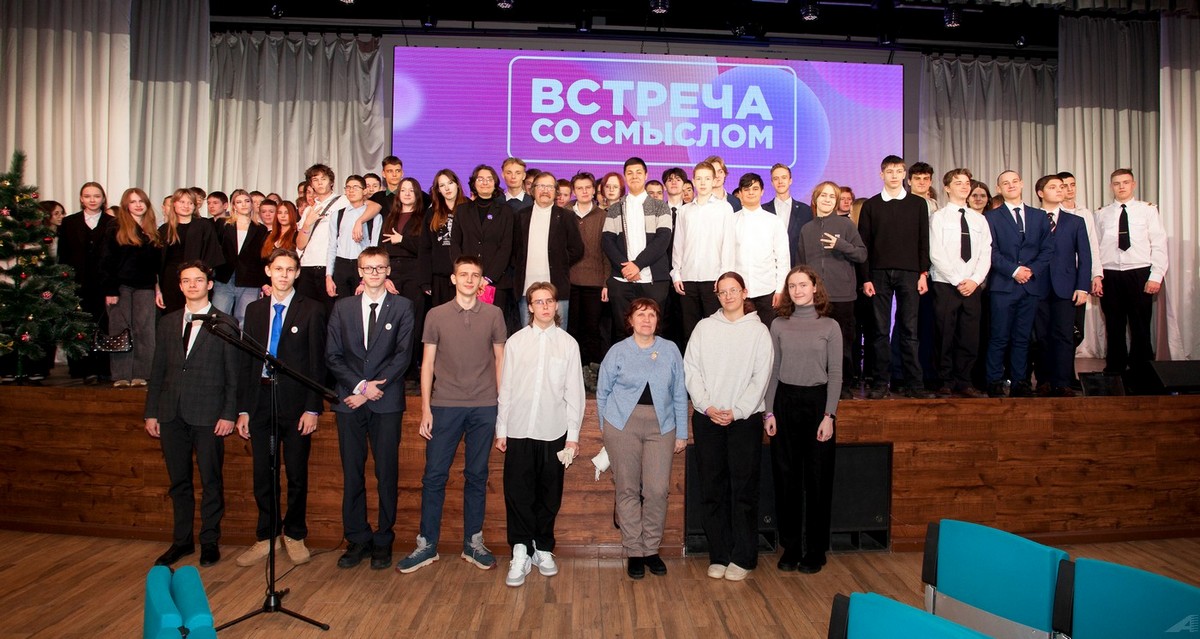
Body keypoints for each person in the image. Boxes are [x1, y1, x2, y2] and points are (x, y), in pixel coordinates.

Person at [399, 255, 507, 574]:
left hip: (484, 406)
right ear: (453, 278)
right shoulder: (436, 315)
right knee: (434, 476)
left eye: (475, 275)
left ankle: (473, 543)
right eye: (464, 274)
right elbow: (427, 364)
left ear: (481, 281)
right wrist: (425, 408)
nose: (469, 279)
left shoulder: (494, 314)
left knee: (477, 476)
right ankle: (427, 545)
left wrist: (502, 407)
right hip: (445, 406)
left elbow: (501, 361)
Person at [144, 261, 240, 567]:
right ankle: (182, 541)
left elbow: (233, 375)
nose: (192, 285)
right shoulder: (168, 322)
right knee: (179, 482)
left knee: (211, 481)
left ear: (209, 284)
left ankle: (209, 540)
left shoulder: (225, 323)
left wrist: (229, 413)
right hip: (171, 413)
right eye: (186, 281)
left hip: (209, 415)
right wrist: (151, 412)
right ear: (180, 286)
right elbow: (158, 370)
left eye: (198, 280)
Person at [234, 248, 326, 567]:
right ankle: (267, 535)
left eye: (289, 270)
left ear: (297, 273)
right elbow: (247, 362)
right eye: (278, 269)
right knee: (264, 472)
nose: (283, 275)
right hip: (261, 400)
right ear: (268, 271)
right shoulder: (255, 309)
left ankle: (295, 534)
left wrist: (313, 408)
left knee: (296, 473)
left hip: (296, 403)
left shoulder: (312, 309)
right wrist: (244, 410)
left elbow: (317, 363)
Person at [326, 246, 415, 569]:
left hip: (385, 401)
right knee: (352, 474)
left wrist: (372, 389)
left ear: (388, 271)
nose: (374, 273)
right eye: (368, 268)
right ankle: (357, 538)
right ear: (359, 272)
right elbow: (332, 355)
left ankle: (383, 539)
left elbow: (403, 355)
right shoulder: (343, 307)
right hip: (350, 401)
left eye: (380, 267)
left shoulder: (403, 307)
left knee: (386, 473)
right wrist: (361, 387)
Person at [683, 272, 772, 581]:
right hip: (708, 418)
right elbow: (691, 370)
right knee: (712, 488)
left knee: (744, 490)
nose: (729, 296)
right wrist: (707, 405)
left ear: (745, 292)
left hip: (744, 421)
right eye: (723, 292)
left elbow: (761, 378)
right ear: (717, 296)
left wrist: (737, 411)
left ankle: (743, 557)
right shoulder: (704, 328)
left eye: (734, 290)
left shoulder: (759, 332)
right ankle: (719, 554)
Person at [496, 282, 585, 587]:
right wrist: (502, 428)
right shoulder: (516, 342)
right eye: (539, 301)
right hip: (519, 429)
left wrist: (573, 436)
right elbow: (506, 388)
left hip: (554, 430)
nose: (545, 306)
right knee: (517, 493)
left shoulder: (568, 344)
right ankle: (520, 550)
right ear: (530, 307)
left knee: (549, 494)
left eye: (549, 301)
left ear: (556, 305)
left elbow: (575, 393)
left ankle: (543, 548)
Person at [596, 297, 688, 579]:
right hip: (622, 426)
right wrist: (606, 428)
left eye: (651, 315)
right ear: (630, 320)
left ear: (658, 321)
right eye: (640, 314)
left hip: (662, 427)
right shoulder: (618, 351)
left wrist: (682, 433)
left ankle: (651, 549)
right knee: (626, 489)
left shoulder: (670, 350)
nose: (646, 320)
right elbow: (602, 392)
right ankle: (634, 550)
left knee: (657, 490)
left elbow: (679, 393)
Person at [764, 265, 841, 574]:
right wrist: (769, 411)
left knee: (818, 479)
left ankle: (816, 549)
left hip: (818, 405)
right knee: (787, 479)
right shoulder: (778, 324)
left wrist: (829, 415)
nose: (797, 290)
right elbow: (773, 371)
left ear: (814, 287)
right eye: (792, 286)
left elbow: (836, 374)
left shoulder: (830, 326)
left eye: (803, 285)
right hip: (784, 402)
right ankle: (791, 546)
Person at [858, 155, 934, 399]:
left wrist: (923, 273)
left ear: (904, 175)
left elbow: (924, 241)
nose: (894, 175)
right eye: (889, 171)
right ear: (881, 174)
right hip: (878, 274)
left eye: (898, 171)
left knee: (910, 330)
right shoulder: (871, 205)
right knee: (880, 330)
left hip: (910, 273)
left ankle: (914, 385)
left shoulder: (917, 204)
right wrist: (866, 278)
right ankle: (881, 383)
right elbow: (864, 245)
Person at [984, 170, 1054, 398]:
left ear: (1022, 184)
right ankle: (994, 381)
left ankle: (1020, 381)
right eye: (1005, 183)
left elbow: (1047, 249)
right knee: (999, 336)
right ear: (999, 189)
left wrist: (1030, 271)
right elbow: (991, 251)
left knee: (1023, 338)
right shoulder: (991, 217)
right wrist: (1014, 271)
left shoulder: (1039, 216)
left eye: (1014, 181)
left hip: (1030, 285)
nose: (1011, 185)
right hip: (1003, 285)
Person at [1093, 168, 1168, 379]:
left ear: (1133, 184)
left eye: (1126, 182)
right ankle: (1115, 368)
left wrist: (1156, 276)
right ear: (1111, 187)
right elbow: (1095, 248)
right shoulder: (1101, 214)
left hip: (1139, 272)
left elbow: (1159, 244)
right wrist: (1096, 275)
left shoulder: (1148, 210)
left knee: (1140, 325)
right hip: (1111, 274)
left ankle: (1142, 370)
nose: (1121, 187)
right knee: (1114, 324)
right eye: (1117, 183)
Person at [797, 181, 867, 399]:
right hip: (815, 298)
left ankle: (843, 386)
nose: (827, 200)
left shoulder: (846, 225)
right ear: (815, 199)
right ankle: (818, 384)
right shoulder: (806, 229)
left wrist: (840, 245)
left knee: (843, 344)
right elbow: (801, 264)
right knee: (815, 345)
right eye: (823, 195)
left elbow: (861, 254)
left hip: (843, 296)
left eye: (831, 196)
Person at [927, 169, 992, 398]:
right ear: (947, 188)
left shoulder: (979, 219)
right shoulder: (939, 217)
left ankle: (965, 381)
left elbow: (986, 252)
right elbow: (936, 253)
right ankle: (944, 380)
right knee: (944, 333)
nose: (964, 186)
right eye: (958, 183)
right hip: (946, 283)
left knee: (969, 335)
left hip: (972, 285)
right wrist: (957, 280)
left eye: (967, 183)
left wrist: (975, 280)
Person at [1030, 175, 1092, 396]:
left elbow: (1085, 257)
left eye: (1062, 187)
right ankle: (1044, 380)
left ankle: (1063, 381)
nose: (1060, 190)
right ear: (1040, 193)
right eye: (1053, 187)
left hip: (1065, 287)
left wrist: (1082, 287)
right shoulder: (1031, 219)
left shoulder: (1075, 221)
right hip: (1036, 286)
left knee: (1064, 335)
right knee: (1040, 336)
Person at [602, 158, 674, 340]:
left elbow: (663, 240)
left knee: (654, 331)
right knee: (623, 331)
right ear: (625, 177)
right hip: (621, 280)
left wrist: (637, 265)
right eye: (630, 173)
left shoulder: (661, 207)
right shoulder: (615, 208)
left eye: (638, 172)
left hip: (653, 281)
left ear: (646, 175)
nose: (634, 176)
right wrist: (627, 269)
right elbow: (607, 241)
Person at [99, 188, 162, 388]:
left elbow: (156, 266)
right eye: (133, 201)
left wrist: (158, 289)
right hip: (120, 287)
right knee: (119, 331)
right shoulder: (115, 226)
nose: (138, 205)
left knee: (145, 331)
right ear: (126, 205)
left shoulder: (152, 229)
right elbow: (106, 260)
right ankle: (121, 374)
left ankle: (142, 373)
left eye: (141, 201)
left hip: (145, 287)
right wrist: (110, 290)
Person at [671, 161, 736, 346]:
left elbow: (728, 245)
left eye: (707, 178)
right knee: (689, 331)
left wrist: (724, 277)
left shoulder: (724, 208)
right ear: (692, 181)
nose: (703, 182)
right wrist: (676, 274)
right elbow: (679, 244)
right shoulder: (685, 210)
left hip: (713, 279)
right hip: (688, 278)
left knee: (715, 330)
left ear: (714, 180)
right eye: (699, 179)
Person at [58, 182, 114, 384]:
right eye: (88, 196)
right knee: (78, 326)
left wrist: (112, 287)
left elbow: (115, 258)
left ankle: (103, 369)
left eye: (96, 196)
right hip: (76, 284)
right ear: (81, 199)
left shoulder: (112, 222)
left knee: (103, 325)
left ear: (103, 198)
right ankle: (82, 369)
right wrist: (64, 284)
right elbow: (62, 256)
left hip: (103, 284)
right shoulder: (69, 222)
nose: (92, 200)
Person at [512, 171, 584, 328]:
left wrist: (560, 262)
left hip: (557, 287)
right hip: (526, 288)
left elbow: (577, 249)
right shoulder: (520, 216)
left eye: (550, 187)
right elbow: (515, 250)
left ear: (556, 192)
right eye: (541, 186)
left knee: (558, 335)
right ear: (532, 190)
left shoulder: (566, 217)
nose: (545, 190)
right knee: (529, 335)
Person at [451, 165, 516, 316]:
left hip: (496, 281)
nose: (485, 182)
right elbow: (454, 244)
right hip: (467, 280)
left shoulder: (505, 211)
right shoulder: (462, 210)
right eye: (480, 179)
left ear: (495, 183)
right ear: (474, 183)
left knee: (493, 324)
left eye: (489, 179)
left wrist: (488, 278)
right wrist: (465, 273)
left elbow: (506, 247)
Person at [732, 173, 790, 326]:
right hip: (739, 291)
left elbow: (783, 258)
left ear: (762, 191)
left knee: (767, 334)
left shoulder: (774, 221)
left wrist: (780, 289)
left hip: (767, 290)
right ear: (740, 193)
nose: (751, 192)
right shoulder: (731, 221)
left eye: (755, 188)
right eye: (746, 189)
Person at [158, 188, 224, 315]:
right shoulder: (165, 229)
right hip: (170, 280)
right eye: (182, 202)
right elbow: (158, 259)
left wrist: (201, 276)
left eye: (190, 203)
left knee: (197, 313)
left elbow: (211, 255)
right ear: (174, 204)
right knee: (173, 314)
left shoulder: (204, 226)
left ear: (195, 206)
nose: (186, 206)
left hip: (196, 278)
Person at [567, 172, 609, 367]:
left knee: (592, 330)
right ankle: (573, 370)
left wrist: (606, 282)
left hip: (595, 282)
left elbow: (607, 253)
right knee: (571, 329)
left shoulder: (604, 216)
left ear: (594, 190)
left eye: (587, 188)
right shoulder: (564, 214)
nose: (584, 191)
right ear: (573, 191)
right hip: (569, 282)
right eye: (579, 188)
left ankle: (591, 371)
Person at [296, 164, 349, 315]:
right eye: (315, 180)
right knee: (307, 314)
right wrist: (308, 222)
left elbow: (371, 206)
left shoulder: (344, 201)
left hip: (329, 266)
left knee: (331, 313)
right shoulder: (309, 209)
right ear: (311, 184)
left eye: (323, 179)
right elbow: (300, 244)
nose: (320, 183)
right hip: (307, 266)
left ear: (331, 181)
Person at [212, 190, 268, 326]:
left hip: (250, 279)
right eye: (239, 202)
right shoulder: (223, 224)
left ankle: (240, 341)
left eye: (247, 201)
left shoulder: (261, 229)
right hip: (224, 277)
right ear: (234, 206)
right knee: (219, 317)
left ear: (252, 205)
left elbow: (262, 258)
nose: (243, 204)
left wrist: (263, 282)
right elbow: (215, 250)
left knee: (244, 319)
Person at [326, 175, 382, 299]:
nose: (351, 191)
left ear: (365, 191)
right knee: (342, 305)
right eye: (348, 187)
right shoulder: (337, 215)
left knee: (362, 304)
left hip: (363, 265)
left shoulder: (375, 217)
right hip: (341, 264)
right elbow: (332, 246)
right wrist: (329, 276)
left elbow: (374, 248)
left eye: (356, 187)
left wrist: (364, 280)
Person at [419, 169, 468, 309]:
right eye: (442, 185)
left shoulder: (469, 208)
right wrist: (425, 281)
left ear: (457, 184)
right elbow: (425, 248)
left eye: (450, 183)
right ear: (438, 190)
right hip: (439, 278)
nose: (447, 188)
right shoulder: (432, 212)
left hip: (464, 276)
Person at [762, 163, 817, 267]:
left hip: (798, 267)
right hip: (769, 268)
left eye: (784, 177)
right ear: (772, 183)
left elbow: (810, 243)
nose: (780, 182)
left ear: (790, 180)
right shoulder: (763, 210)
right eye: (776, 178)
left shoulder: (805, 211)